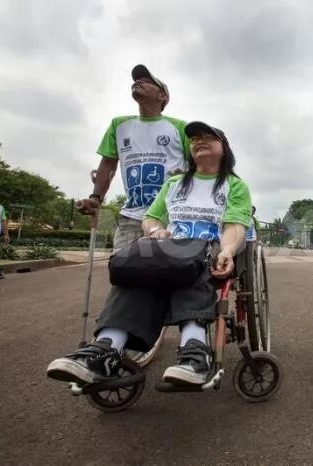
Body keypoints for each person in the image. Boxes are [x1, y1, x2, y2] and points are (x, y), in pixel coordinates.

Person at [47, 121, 252, 385]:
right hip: (168, 246)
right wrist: (156, 231)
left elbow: (235, 226)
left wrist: (227, 250)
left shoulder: (233, 185)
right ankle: (106, 348)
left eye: (208, 138)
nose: (199, 141)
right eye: (194, 139)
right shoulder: (175, 183)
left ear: (224, 148)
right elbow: (152, 218)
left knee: (190, 265)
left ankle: (194, 351)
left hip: (207, 247)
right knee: (136, 270)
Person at [77, 64, 190, 251]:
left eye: (147, 81)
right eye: (137, 80)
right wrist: (96, 197)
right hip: (132, 216)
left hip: (171, 215)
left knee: (167, 274)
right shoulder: (119, 125)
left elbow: (200, 166)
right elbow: (107, 164)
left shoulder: (180, 128)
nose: (138, 82)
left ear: (162, 95)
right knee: (122, 270)